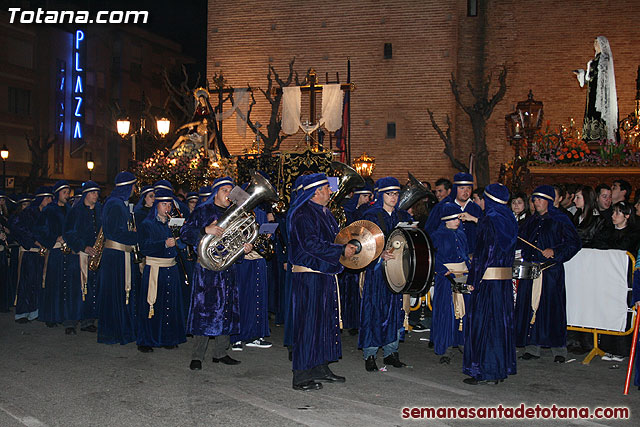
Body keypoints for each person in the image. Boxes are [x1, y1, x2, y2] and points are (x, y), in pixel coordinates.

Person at [287, 173, 356, 391]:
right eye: (327, 187)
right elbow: (310, 244)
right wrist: (340, 250)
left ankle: (319, 366)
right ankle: (301, 374)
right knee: (308, 324)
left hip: (324, 274)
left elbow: (332, 240)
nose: (331, 190)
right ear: (316, 191)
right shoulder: (303, 213)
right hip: (309, 276)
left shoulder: (325, 212)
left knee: (325, 323)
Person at [181, 177, 247, 370]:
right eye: (224, 190)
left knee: (226, 309)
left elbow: (238, 239)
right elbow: (185, 233)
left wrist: (245, 248)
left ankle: (221, 352)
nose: (228, 194)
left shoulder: (235, 213)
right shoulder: (202, 211)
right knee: (204, 310)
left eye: (230, 190)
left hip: (228, 268)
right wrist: (205, 230)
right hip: (207, 269)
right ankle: (197, 356)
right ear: (215, 192)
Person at [514, 185, 582, 363]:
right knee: (531, 307)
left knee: (553, 309)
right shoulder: (530, 221)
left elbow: (574, 243)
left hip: (551, 271)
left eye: (540, 200)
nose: (536, 203)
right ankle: (532, 346)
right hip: (531, 270)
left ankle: (558, 348)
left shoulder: (561, 219)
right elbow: (519, 240)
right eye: (534, 200)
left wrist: (555, 251)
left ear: (550, 201)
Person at [463, 184, 518, 385]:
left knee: (484, 324)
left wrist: (473, 280)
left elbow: (484, 255)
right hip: (502, 283)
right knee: (500, 325)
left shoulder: (490, 221)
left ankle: (484, 370)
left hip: (487, 282)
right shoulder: (509, 218)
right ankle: (499, 369)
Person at [360, 177, 410, 372]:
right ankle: (370, 354)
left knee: (395, 311)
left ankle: (391, 352)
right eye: (390, 194)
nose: (394, 197)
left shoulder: (403, 216)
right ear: (381, 195)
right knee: (374, 310)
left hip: (398, 271)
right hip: (377, 271)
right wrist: (380, 254)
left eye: (396, 193)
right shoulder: (371, 215)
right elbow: (362, 242)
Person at [136, 188, 186, 352]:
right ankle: (146, 340)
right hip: (155, 268)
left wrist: (181, 239)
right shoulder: (147, 224)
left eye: (169, 204)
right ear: (156, 205)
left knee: (169, 304)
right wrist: (164, 244)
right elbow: (144, 248)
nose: (167, 208)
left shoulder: (173, 223)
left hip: (171, 268)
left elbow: (181, 246)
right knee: (152, 304)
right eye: (164, 204)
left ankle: (167, 337)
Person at [97, 171, 139, 345]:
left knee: (121, 293)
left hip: (119, 255)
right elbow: (115, 232)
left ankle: (122, 329)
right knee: (116, 293)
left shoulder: (118, 203)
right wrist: (137, 236)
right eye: (133, 186)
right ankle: (116, 331)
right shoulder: (115, 205)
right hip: (115, 256)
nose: (135, 190)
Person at [430, 202, 470, 365]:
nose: (457, 221)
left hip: (462, 275)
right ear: (446, 219)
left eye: (458, 218)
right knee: (447, 312)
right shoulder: (437, 235)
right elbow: (432, 256)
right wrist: (441, 269)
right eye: (454, 219)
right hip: (446, 278)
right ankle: (445, 346)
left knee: (463, 310)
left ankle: (462, 342)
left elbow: (465, 254)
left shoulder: (461, 234)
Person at [63, 180, 102, 333]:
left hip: (94, 256)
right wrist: (83, 246)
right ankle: (71, 322)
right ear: (85, 194)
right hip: (78, 256)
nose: (96, 195)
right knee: (75, 289)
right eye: (93, 192)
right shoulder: (75, 211)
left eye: (97, 192)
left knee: (92, 288)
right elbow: (68, 233)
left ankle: (88, 320)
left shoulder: (100, 210)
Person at [11, 187, 53, 323]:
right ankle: (22, 313)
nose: (50, 200)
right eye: (48, 198)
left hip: (42, 254)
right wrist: (34, 240)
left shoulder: (48, 214)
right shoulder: (28, 213)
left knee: (39, 282)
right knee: (26, 283)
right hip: (30, 253)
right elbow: (18, 227)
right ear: (41, 199)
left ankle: (35, 311)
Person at [37, 180, 72, 330]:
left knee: (66, 284)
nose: (67, 195)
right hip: (56, 251)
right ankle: (51, 315)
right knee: (53, 283)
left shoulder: (70, 209)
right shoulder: (49, 210)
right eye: (64, 193)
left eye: (68, 192)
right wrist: (54, 238)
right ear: (57, 194)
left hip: (68, 252)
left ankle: (64, 315)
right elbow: (40, 230)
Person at [425, 172, 482, 256]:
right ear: (455, 188)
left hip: (472, 254)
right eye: (462, 188)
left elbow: (484, 231)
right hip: (447, 255)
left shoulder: (476, 208)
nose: (466, 192)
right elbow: (430, 229)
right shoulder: (442, 206)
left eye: (469, 188)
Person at [574, 35, 618, 142]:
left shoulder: (604, 59)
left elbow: (602, 77)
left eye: (597, 43)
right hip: (592, 92)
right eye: (594, 43)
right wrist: (581, 74)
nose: (595, 45)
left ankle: (599, 137)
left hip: (600, 93)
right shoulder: (594, 60)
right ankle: (590, 137)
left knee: (598, 113)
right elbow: (590, 77)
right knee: (591, 111)